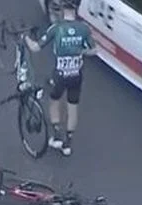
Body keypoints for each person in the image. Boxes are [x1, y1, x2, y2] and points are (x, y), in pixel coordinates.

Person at [25, 0, 92, 156]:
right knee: (72, 106)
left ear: (62, 9)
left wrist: (26, 38)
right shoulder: (84, 29)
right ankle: (68, 144)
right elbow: (94, 50)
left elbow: (35, 48)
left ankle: (56, 136)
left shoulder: (56, 29)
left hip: (60, 75)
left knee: (54, 101)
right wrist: (80, 51)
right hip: (77, 75)